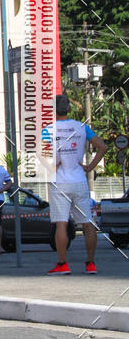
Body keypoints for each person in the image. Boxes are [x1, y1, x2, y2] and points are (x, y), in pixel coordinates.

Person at [48, 94, 107, 275]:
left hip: (59, 182)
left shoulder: (47, 130)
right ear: (70, 109)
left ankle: (62, 264)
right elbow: (102, 147)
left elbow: (43, 158)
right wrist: (89, 167)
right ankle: (90, 264)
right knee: (87, 223)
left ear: (53, 110)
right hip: (79, 180)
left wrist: (54, 165)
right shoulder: (82, 128)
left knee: (61, 224)